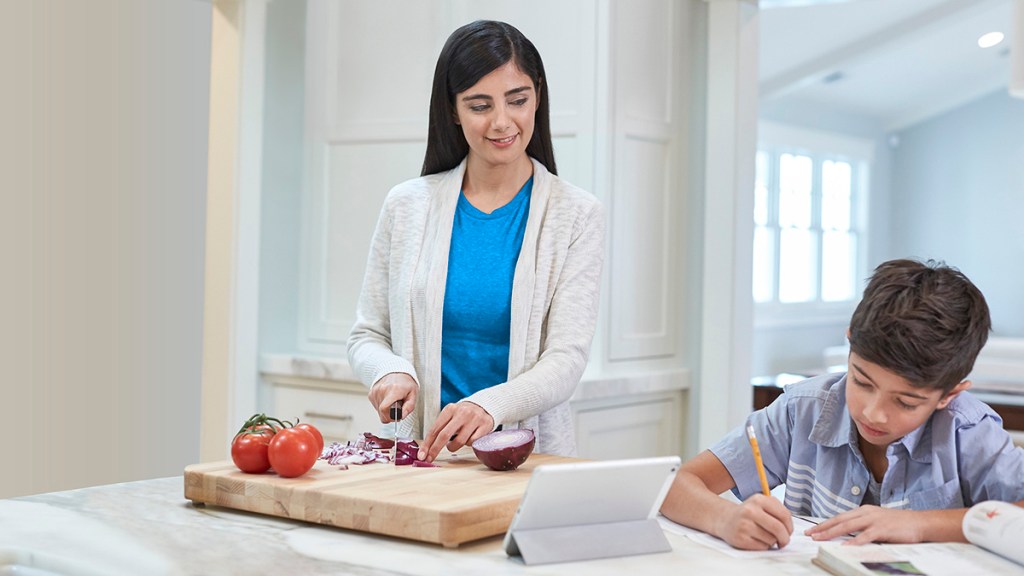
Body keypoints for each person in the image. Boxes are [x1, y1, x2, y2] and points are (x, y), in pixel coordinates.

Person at [347, 20, 604, 463]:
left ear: (537, 97)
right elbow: (368, 334)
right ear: (452, 110)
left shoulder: (576, 214)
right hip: (417, 459)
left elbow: (565, 361)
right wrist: (388, 370)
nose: (502, 122)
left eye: (518, 100)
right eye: (479, 105)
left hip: (527, 463)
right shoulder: (407, 205)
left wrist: (489, 405)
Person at [661, 259, 1024, 550]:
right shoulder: (801, 410)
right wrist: (725, 519)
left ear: (949, 395)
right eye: (862, 382)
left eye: (907, 401)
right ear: (850, 343)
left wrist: (920, 524)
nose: (873, 412)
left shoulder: (968, 431)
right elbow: (677, 484)